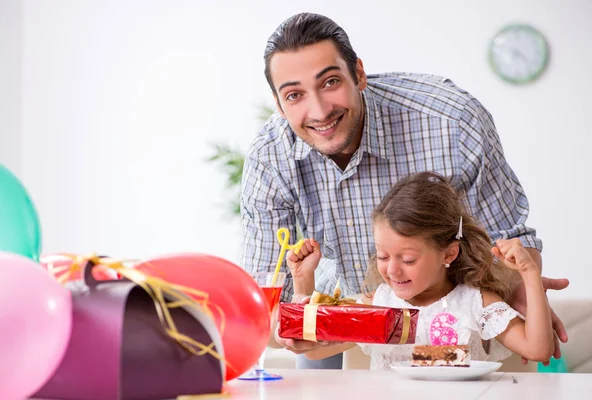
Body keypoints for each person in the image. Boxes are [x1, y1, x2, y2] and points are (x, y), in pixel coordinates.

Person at [239, 12, 568, 369]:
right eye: (294, 95)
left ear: (359, 74)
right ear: (278, 103)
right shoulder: (271, 156)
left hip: (471, 333)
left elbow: (509, 241)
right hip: (360, 321)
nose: (318, 110)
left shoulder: (453, 120)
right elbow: (268, 304)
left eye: (331, 82)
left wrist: (526, 287)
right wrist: (297, 316)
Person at [284, 172, 555, 367]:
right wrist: (302, 280)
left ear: (448, 253)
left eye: (409, 259)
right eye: (382, 256)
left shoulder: (474, 301)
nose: (392, 270)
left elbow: (538, 349)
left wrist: (529, 276)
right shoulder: (376, 305)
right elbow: (314, 350)